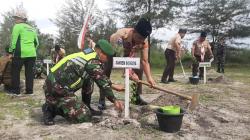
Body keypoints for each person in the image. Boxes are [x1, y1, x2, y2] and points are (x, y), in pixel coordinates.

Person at [42, 39, 124, 125]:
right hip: (56, 89)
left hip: (60, 85)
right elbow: (101, 81)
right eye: (107, 56)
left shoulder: (90, 53)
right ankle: (50, 108)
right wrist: (114, 100)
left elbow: (99, 75)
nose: (107, 59)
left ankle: (86, 105)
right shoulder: (92, 61)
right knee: (84, 116)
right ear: (100, 52)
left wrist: (112, 85)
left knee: (89, 78)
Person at [98, 18, 155, 110]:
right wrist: (130, 73)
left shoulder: (143, 41)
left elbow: (145, 61)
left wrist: (149, 77)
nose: (141, 41)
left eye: (143, 38)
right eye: (139, 38)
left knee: (139, 68)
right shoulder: (119, 36)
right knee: (106, 70)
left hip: (127, 53)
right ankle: (102, 99)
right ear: (134, 31)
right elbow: (121, 59)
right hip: (113, 51)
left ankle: (137, 97)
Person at [8, 10, 39, 95]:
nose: (15, 19)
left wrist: (10, 52)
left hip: (20, 52)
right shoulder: (32, 28)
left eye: (16, 18)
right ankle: (29, 91)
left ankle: (16, 91)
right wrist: (32, 49)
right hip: (32, 53)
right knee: (29, 73)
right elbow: (37, 42)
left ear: (20, 18)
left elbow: (13, 41)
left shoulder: (17, 26)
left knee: (15, 71)